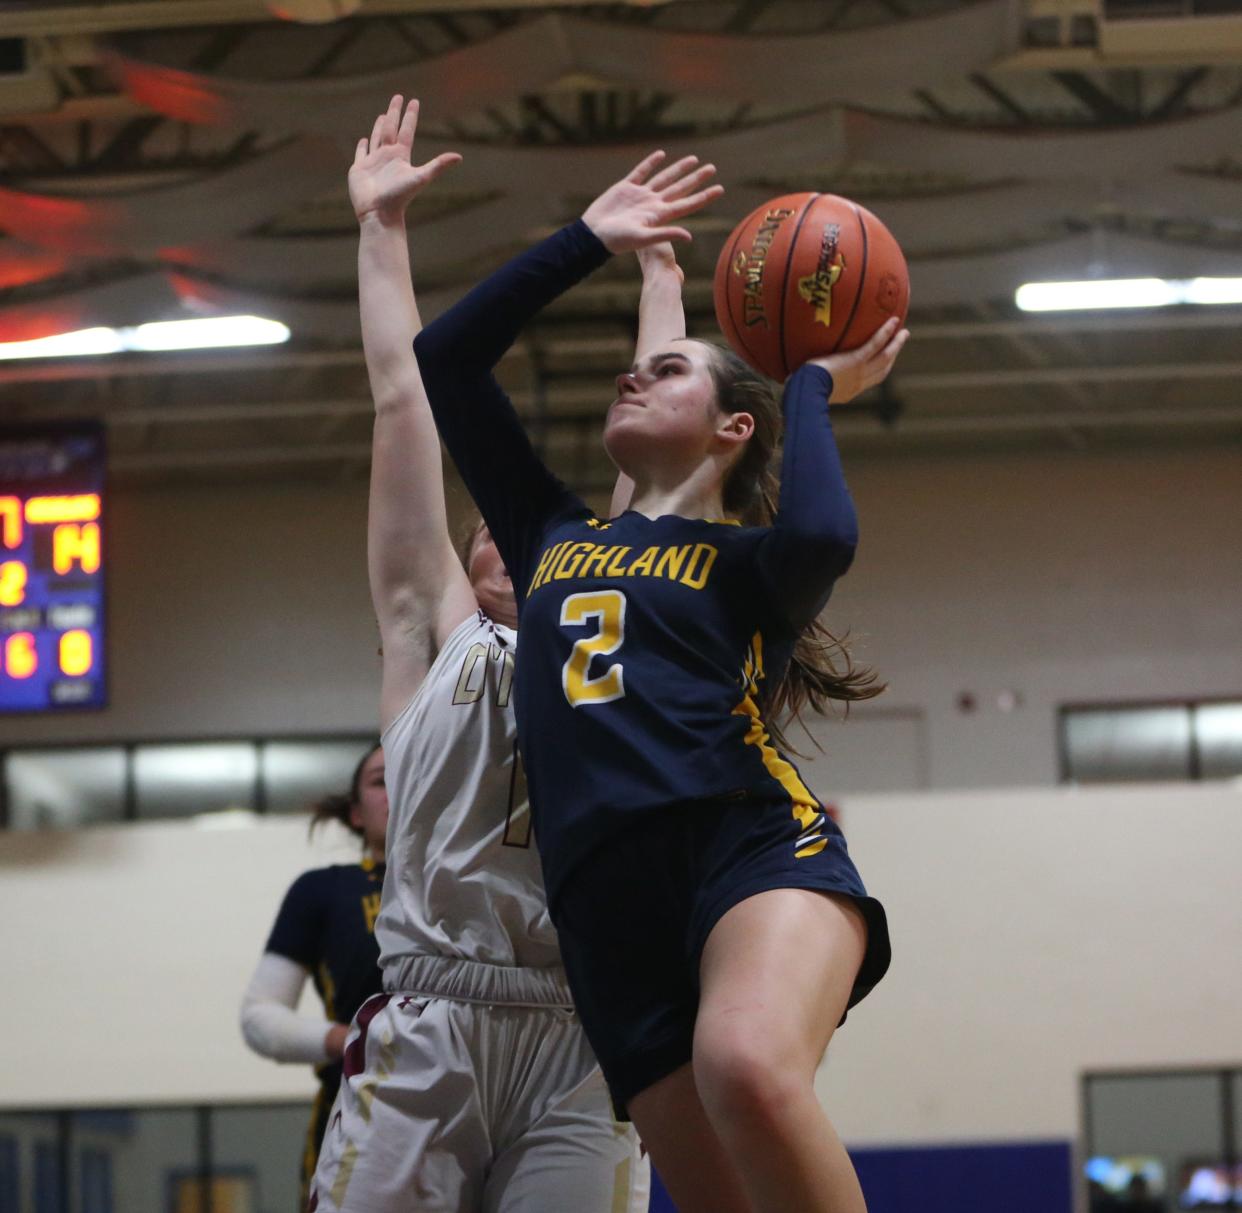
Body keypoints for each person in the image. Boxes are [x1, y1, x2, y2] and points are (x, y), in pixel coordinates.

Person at [415, 144, 909, 1213]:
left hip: (742, 840)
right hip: (601, 903)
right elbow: (446, 357)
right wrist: (588, 240)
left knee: (746, 1064)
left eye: (669, 367)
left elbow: (823, 527)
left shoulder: (746, 567)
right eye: (640, 366)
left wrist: (813, 387)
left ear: (736, 427)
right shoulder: (550, 535)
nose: (635, 371)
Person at [307, 96, 647, 1213]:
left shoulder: (620, 629)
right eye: (477, 528)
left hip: (582, 1027)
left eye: (521, 521)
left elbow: (663, 474)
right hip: (429, 1019)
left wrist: (659, 278)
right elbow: (405, 402)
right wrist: (380, 232)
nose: (495, 529)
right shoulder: (434, 634)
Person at [239, 741, 387, 1207]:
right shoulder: (322, 890)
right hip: (359, 1111)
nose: (402, 784)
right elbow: (260, 1017)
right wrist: (351, 1040)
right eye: (382, 780)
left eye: (417, 768)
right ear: (356, 813)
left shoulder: (484, 880)